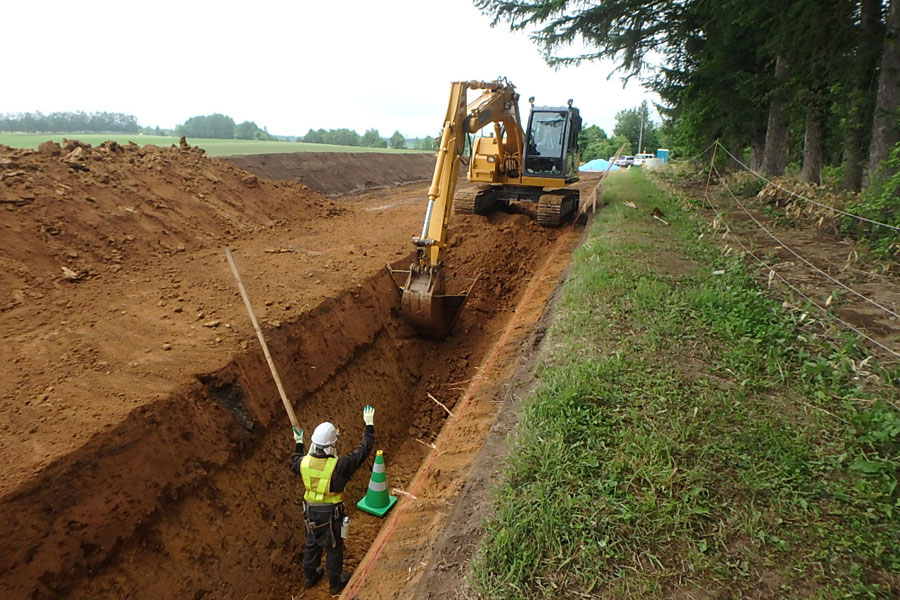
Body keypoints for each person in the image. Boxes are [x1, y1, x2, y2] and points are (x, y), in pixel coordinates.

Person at [290, 405, 375, 594]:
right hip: (332, 514)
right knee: (334, 546)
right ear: (331, 446)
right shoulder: (340, 466)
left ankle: (311, 576)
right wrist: (369, 426)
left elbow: (295, 460)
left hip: (310, 512)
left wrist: (298, 442)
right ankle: (335, 583)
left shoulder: (303, 463)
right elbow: (363, 451)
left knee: (312, 541)